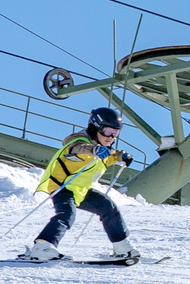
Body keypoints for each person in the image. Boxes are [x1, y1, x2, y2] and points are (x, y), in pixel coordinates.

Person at [27, 107, 138, 261]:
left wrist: (122, 156)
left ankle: (122, 247)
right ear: (95, 127)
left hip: (80, 190)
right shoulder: (79, 141)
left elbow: (112, 156)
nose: (111, 137)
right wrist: (94, 149)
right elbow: (75, 147)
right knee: (67, 214)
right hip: (62, 186)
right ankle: (42, 246)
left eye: (115, 133)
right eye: (107, 131)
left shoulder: (104, 150)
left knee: (108, 207)